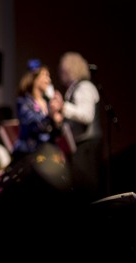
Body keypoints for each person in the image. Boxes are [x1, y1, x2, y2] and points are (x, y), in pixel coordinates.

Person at [53, 51, 103, 200]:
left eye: (62, 69)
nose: (60, 73)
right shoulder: (75, 89)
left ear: (70, 69)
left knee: (87, 189)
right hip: (80, 145)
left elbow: (86, 115)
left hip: (87, 145)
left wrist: (63, 107)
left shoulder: (84, 87)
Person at [13, 59, 63, 161]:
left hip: (47, 154)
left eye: (49, 76)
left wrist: (58, 121)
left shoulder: (47, 102)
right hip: (30, 154)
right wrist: (50, 116)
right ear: (34, 78)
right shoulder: (24, 102)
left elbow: (55, 134)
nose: (48, 80)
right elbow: (34, 127)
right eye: (45, 75)